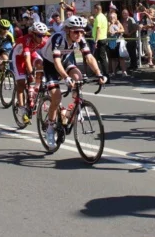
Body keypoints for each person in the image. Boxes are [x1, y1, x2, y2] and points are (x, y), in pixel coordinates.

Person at [38, 16, 105, 148]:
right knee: (56, 96)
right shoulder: (58, 38)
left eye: (82, 31)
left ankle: (73, 109)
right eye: (76, 32)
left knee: (78, 77)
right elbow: (56, 61)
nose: (79, 34)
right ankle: (50, 128)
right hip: (50, 64)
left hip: (65, 60)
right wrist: (65, 77)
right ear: (68, 30)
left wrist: (99, 73)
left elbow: (89, 57)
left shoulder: (80, 39)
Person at [10, 22, 47, 117]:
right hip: (18, 57)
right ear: (33, 34)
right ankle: (22, 108)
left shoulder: (44, 40)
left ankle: (36, 88)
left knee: (40, 63)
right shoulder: (26, 40)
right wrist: (31, 73)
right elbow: (27, 60)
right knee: (21, 83)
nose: (42, 38)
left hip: (31, 53)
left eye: (44, 35)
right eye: (39, 35)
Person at [91, 4, 109, 78]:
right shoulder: (103, 17)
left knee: (102, 59)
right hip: (103, 38)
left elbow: (98, 29)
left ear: (97, 9)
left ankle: (105, 76)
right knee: (96, 58)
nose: (93, 10)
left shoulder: (98, 17)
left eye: (94, 9)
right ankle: (98, 74)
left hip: (100, 40)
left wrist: (96, 41)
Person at [107, 10, 127, 76]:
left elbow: (123, 30)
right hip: (111, 42)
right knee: (113, 58)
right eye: (110, 17)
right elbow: (108, 31)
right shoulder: (108, 24)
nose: (112, 19)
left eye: (113, 17)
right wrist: (111, 25)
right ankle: (113, 72)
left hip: (118, 41)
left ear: (116, 18)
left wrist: (116, 31)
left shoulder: (118, 23)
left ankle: (124, 71)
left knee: (121, 57)